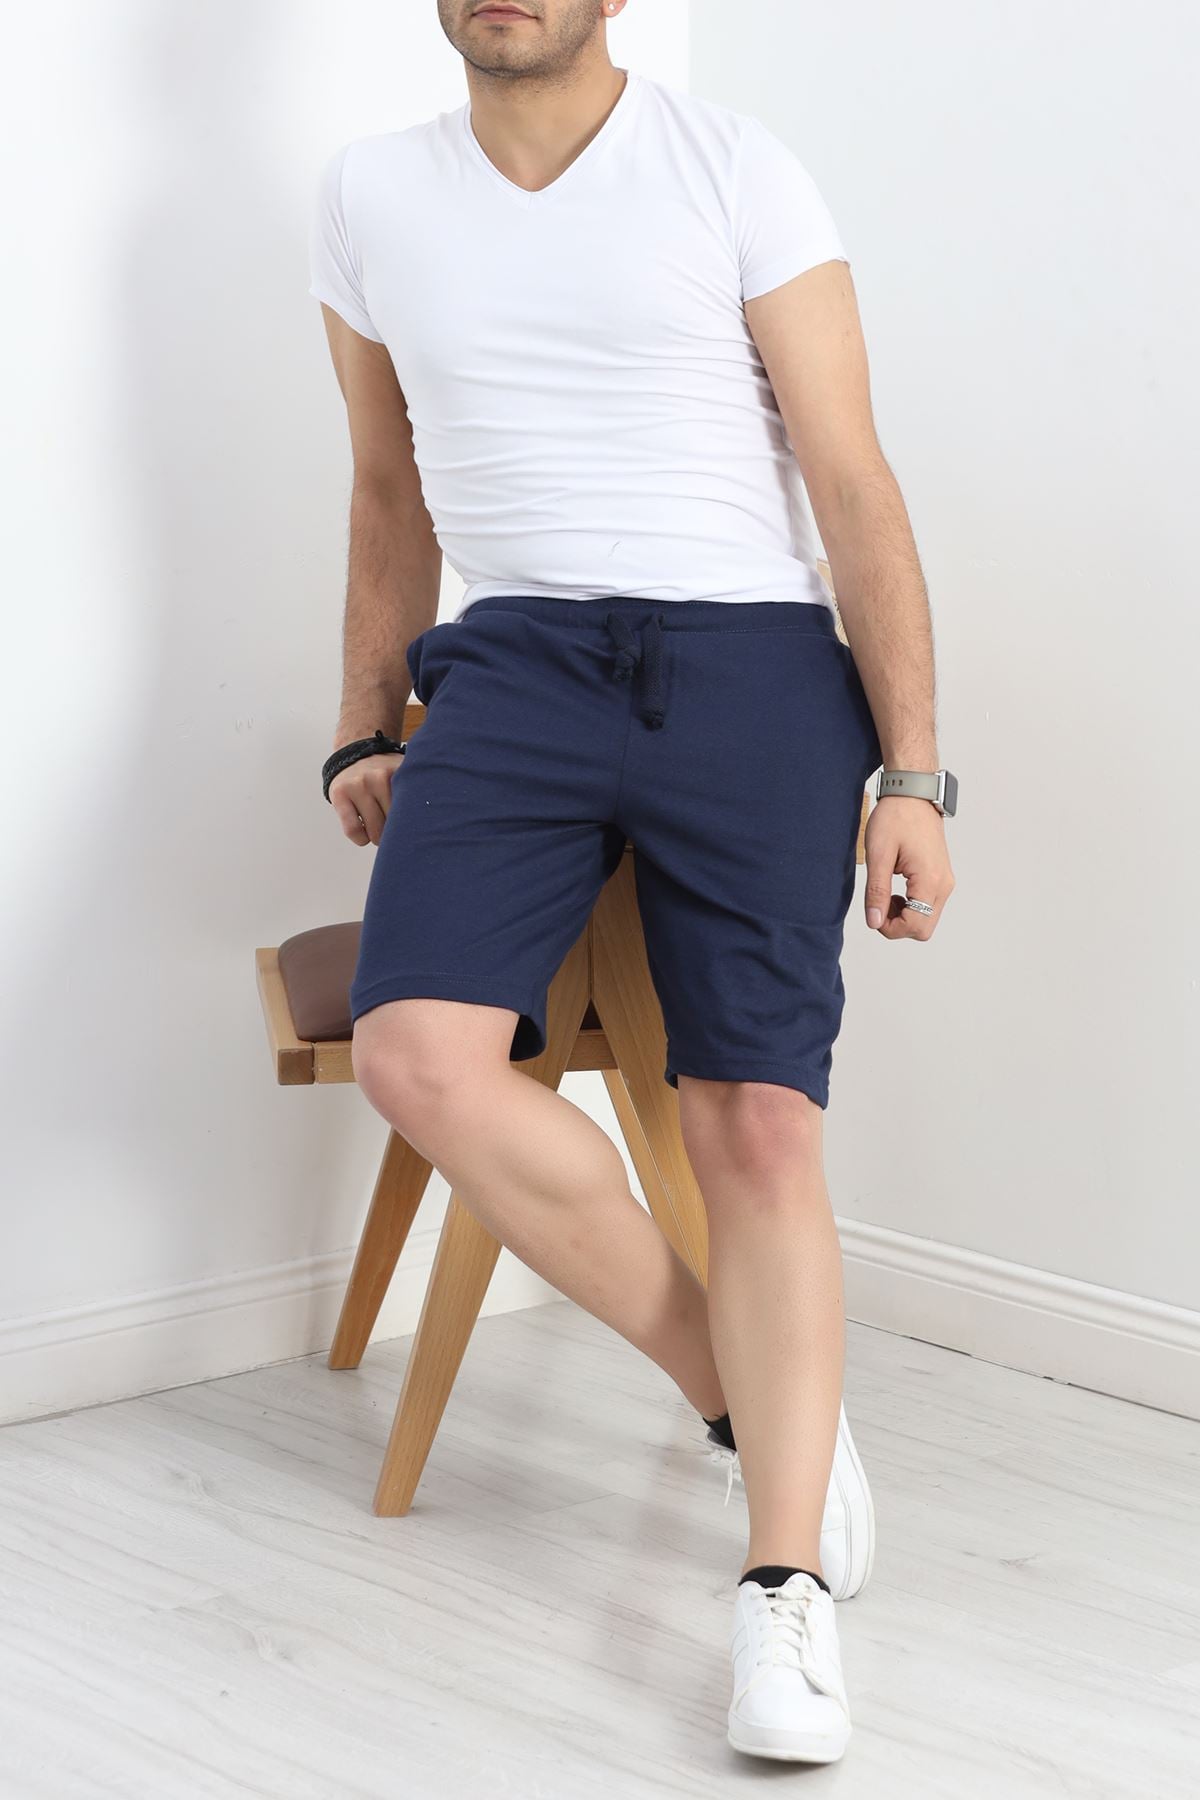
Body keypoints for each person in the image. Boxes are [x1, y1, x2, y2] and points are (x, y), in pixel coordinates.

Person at [308, 0, 956, 1766]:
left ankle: (779, 1595)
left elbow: (851, 480)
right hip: (511, 665)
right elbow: (386, 485)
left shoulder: (734, 166)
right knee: (416, 1057)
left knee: (756, 1116)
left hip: (751, 666)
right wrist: (364, 721)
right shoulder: (368, 193)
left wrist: (912, 773)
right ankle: (746, 1395)